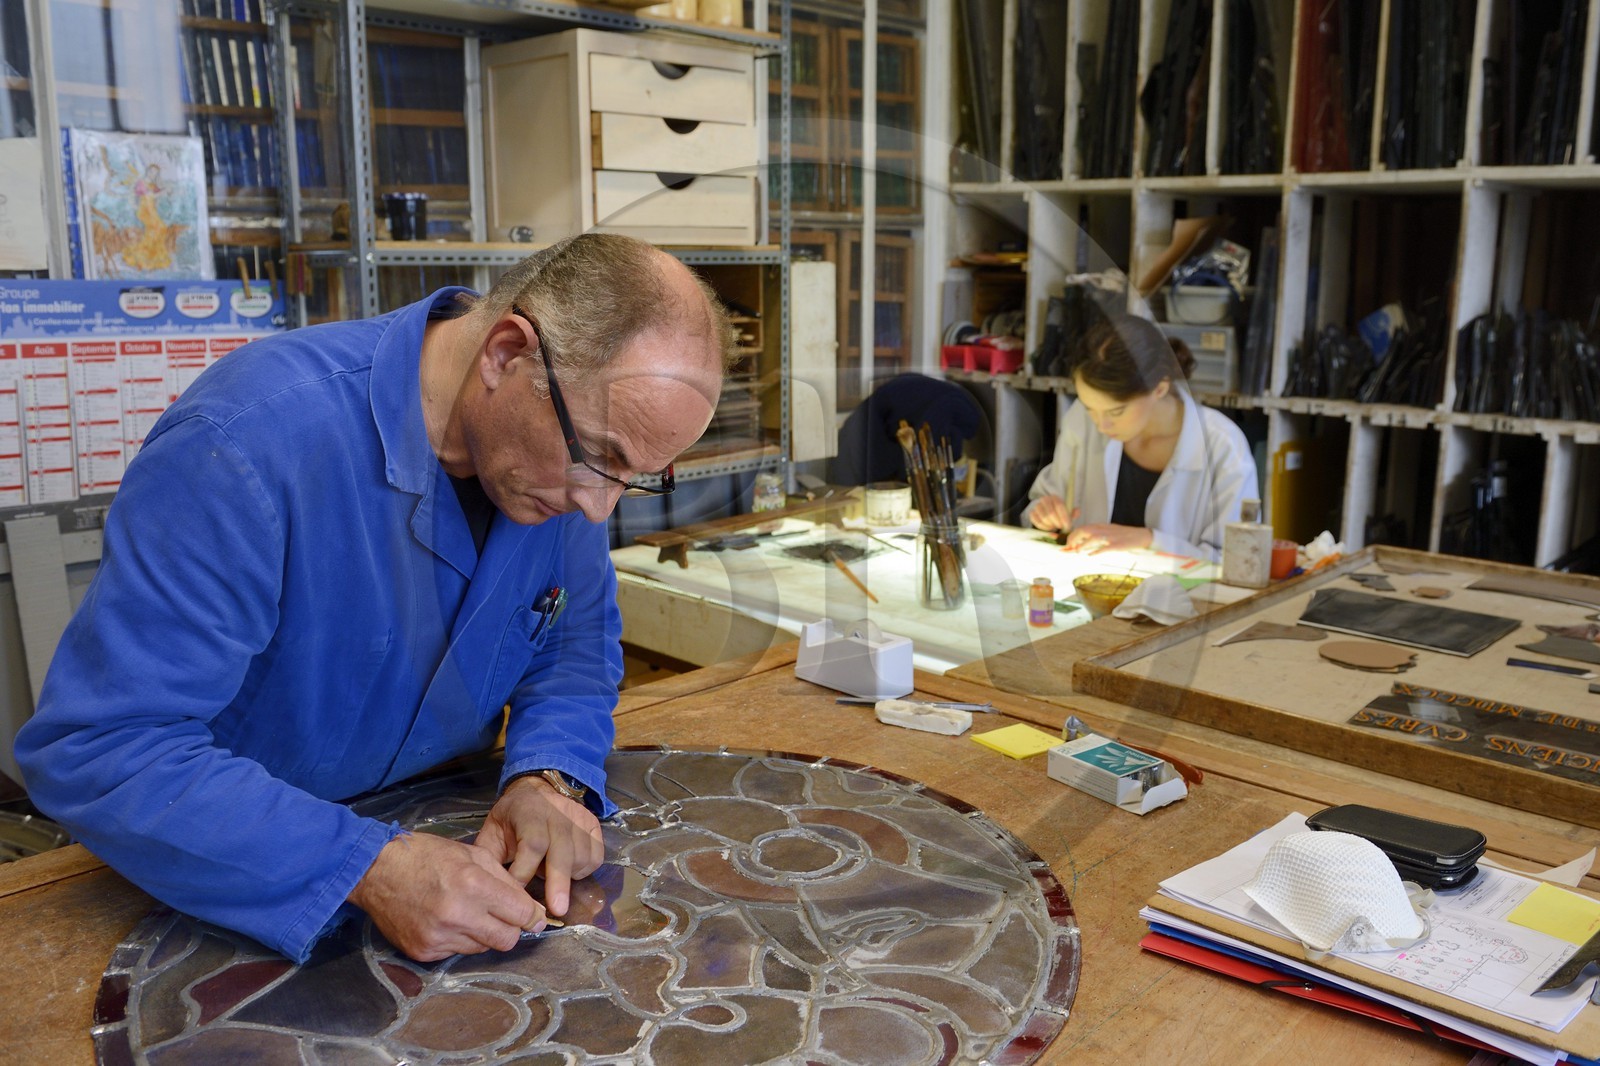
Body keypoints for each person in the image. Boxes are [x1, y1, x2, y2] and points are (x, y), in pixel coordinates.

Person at [14, 234, 733, 964]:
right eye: (603, 457)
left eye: (638, 476)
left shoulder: (556, 477)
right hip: (231, 876)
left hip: (444, 839)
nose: (600, 507)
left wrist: (548, 777)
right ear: (506, 353)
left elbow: (570, 648)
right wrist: (365, 865)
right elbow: (101, 748)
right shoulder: (244, 447)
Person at [1023, 313, 1257, 562]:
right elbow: (1044, 502)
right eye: (1090, 407)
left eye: (1116, 411)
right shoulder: (1081, 419)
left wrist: (1149, 540)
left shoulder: (1222, 445)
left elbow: (1235, 559)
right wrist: (1044, 514)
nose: (1101, 425)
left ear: (1160, 388)